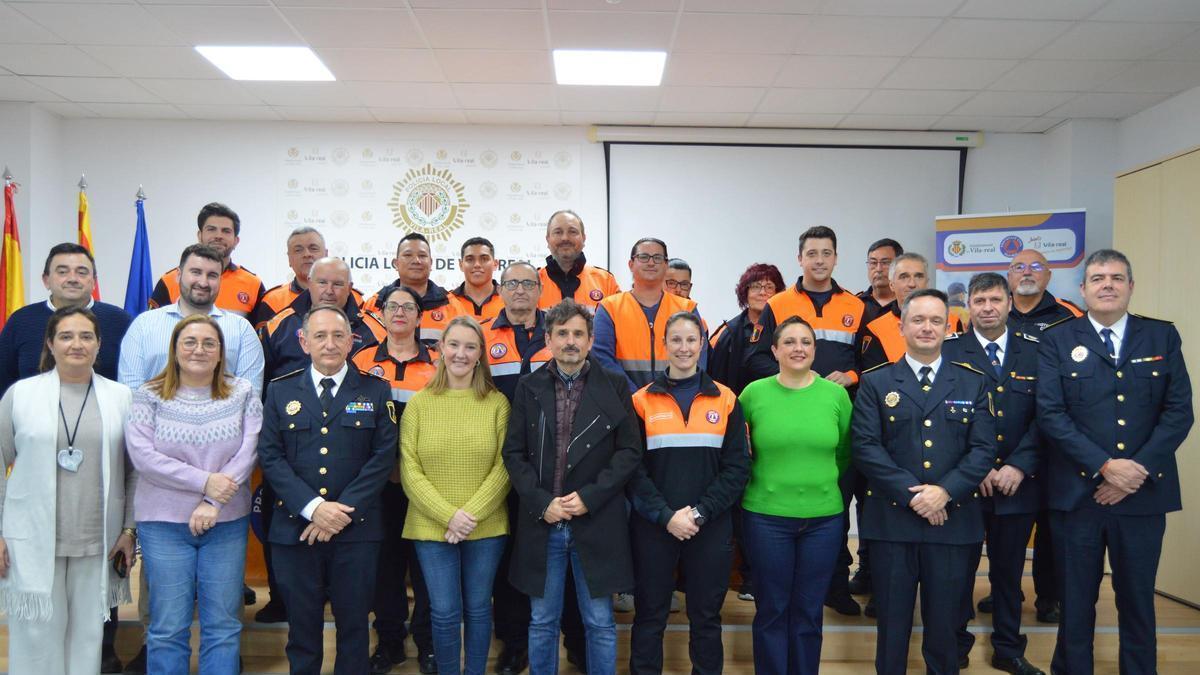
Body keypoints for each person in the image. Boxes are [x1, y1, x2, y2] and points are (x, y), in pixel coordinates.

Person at [1037, 249, 1193, 675]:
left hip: (1143, 496)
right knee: (1075, 600)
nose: (1108, 284)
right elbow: (1050, 413)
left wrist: (1133, 472)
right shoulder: (1057, 339)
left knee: (1138, 598)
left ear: (1130, 286)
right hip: (1077, 495)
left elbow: (1179, 411)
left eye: (1117, 277)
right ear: (1083, 289)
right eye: (1098, 278)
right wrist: (1106, 467)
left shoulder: (1161, 337)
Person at [0, 243, 134, 672]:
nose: (77, 344)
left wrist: (129, 531)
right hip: (32, 536)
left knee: (89, 639)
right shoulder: (21, 396)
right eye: (66, 336)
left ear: (99, 345)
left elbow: (134, 471)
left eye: (86, 336)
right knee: (37, 634)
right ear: (50, 343)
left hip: (98, 538)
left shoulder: (121, 398)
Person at [853, 288, 995, 675]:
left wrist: (944, 492)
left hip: (954, 523)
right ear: (901, 326)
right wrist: (915, 496)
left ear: (948, 327)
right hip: (893, 523)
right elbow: (866, 447)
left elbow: (983, 450)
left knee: (946, 627)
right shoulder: (877, 382)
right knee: (893, 627)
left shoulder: (972, 382)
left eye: (936, 320)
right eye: (918, 319)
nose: (927, 327)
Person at [501, 299, 643, 675]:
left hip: (595, 521)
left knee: (599, 623)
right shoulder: (528, 386)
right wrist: (541, 501)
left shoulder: (613, 386)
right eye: (562, 333)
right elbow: (514, 453)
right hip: (543, 521)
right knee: (542, 621)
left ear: (591, 339)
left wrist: (590, 497)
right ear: (547, 338)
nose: (570, 341)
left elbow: (630, 451)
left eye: (578, 333)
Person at [257, 305, 397, 675]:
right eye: (319, 336)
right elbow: (270, 458)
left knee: (354, 627)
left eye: (338, 335)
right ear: (304, 342)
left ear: (352, 341)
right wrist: (313, 507)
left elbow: (383, 457)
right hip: (295, 530)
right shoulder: (279, 390)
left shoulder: (375, 389)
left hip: (357, 531)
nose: (330, 344)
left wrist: (339, 511)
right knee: (302, 630)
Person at [124, 314, 262, 673]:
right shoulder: (147, 395)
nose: (198, 350)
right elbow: (143, 457)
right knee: (168, 627)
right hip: (163, 524)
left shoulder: (244, 392)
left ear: (220, 354)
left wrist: (213, 501)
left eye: (208, 343)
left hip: (226, 523)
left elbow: (248, 452)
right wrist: (205, 483)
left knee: (223, 625)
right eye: (189, 342)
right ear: (174, 349)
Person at [746, 225, 865, 616]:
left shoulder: (856, 306)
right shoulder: (778, 303)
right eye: (811, 253)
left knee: (834, 509)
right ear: (800, 258)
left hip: (834, 421)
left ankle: (836, 586)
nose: (818, 260)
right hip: (787, 417)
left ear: (835, 257)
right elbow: (759, 357)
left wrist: (850, 379)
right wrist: (794, 382)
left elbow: (870, 364)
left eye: (826, 253)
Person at [627, 312, 749, 675]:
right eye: (676, 340)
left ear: (701, 344)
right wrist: (666, 516)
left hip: (709, 527)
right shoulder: (640, 401)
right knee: (649, 614)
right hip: (654, 527)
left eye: (691, 340)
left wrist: (697, 514)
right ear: (665, 345)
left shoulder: (726, 400)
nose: (684, 347)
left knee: (706, 616)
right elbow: (632, 471)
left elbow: (737, 468)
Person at [944, 273, 1047, 675]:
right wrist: (979, 467)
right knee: (959, 571)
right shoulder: (950, 351)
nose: (987, 307)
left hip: (1019, 485)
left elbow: (1048, 416)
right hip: (966, 485)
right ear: (968, 305)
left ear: (1009, 302)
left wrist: (1020, 464)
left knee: (1008, 573)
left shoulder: (1037, 352)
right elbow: (943, 420)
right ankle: (955, 644)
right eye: (979, 300)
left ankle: (1008, 647)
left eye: (994, 300)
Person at [738, 316, 852, 674]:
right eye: (789, 342)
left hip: (823, 520)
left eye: (805, 342)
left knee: (808, 609)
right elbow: (740, 452)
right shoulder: (753, 394)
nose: (798, 348)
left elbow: (845, 451)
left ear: (815, 350)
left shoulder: (836, 396)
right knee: (772, 607)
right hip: (766, 517)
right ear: (774, 350)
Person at [401, 316, 512, 675]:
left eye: (470, 346)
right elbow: (409, 469)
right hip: (432, 527)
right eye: (454, 345)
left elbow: (504, 467)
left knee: (479, 608)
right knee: (444, 612)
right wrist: (448, 516)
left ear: (480, 354)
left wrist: (468, 516)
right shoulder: (419, 405)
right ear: (440, 350)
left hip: (486, 526)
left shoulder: (497, 404)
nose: (460, 354)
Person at [352, 285, 437, 675]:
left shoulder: (438, 363)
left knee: (426, 569)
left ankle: (428, 643)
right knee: (383, 568)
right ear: (381, 315)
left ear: (421, 317)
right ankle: (389, 642)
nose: (400, 312)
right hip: (377, 486)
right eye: (392, 306)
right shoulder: (361, 360)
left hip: (427, 485)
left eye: (409, 307)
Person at [1004, 248, 1083, 624]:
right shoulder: (994, 316)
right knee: (1009, 526)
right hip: (1008, 442)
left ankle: (1049, 596)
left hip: (1054, 442)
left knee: (1052, 527)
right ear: (1009, 276)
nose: (1027, 273)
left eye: (1036, 266)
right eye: (1019, 267)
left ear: (1049, 276)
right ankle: (1008, 589)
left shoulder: (1068, 317)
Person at [120, 243, 264, 396]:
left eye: (212, 275)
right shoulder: (143, 325)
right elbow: (130, 395)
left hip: (224, 420)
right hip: (152, 419)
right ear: (178, 275)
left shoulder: (242, 330)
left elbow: (249, 398)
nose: (203, 282)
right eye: (196, 272)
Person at [0, 243, 132, 396]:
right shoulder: (20, 321)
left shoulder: (120, 322)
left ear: (94, 282)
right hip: (32, 416)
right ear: (46, 280)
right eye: (62, 272)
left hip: (103, 416)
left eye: (82, 272)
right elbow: (4, 384)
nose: (72, 279)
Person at [593, 238, 707, 392]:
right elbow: (602, 360)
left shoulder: (686, 308)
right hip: (623, 403)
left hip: (675, 403)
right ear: (631, 264)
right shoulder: (609, 308)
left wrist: (670, 398)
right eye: (644, 257)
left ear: (666, 265)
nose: (651, 263)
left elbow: (698, 358)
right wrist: (637, 397)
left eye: (658, 258)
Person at [261, 257, 385, 381]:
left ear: (349, 287)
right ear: (309, 283)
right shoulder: (278, 326)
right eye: (322, 282)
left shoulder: (374, 330)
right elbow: (264, 385)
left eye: (337, 284)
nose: (329, 291)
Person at [149, 202, 265, 318]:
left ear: (236, 241)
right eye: (211, 229)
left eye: (226, 231)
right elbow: (154, 327)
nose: (218, 236)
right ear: (199, 236)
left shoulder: (253, 285)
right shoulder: (169, 281)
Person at [860, 252, 965, 372]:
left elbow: (960, 370)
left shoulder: (952, 320)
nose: (912, 284)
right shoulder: (876, 329)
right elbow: (876, 381)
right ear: (891, 285)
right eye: (904, 277)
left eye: (919, 276)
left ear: (927, 282)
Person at [255, 226, 364, 329]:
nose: (307, 254)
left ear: (326, 254)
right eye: (298, 250)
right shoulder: (272, 300)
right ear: (289, 258)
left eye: (313, 248)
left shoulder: (354, 297)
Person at [365, 233, 459, 344]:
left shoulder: (452, 305)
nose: (416, 261)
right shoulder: (375, 304)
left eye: (422, 256)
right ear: (396, 263)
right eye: (408, 255)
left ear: (431, 263)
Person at [707, 263, 785, 396]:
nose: (762, 292)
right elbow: (715, 378)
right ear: (745, 292)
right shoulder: (728, 332)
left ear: (778, 293)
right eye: (755, 287)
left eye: (769, 287)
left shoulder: (786, 330)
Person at [537, 210, 620, 311]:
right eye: (558, 232)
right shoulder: (533, 282)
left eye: (572, 232)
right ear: (548, 239)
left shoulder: (606, 281)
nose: (565, 238)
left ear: (584, 238)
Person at [450, 237, 505, 322]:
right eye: (470, 259)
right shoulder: (447, 301)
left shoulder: (509, 300)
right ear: (461, 265)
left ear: (495, 264)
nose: (477, 265)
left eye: (484, 259)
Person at [857, 238, 903, 324]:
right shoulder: (855, 304)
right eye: (873, 263)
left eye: (885, 263)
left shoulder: (909, 307)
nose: (878, 269)